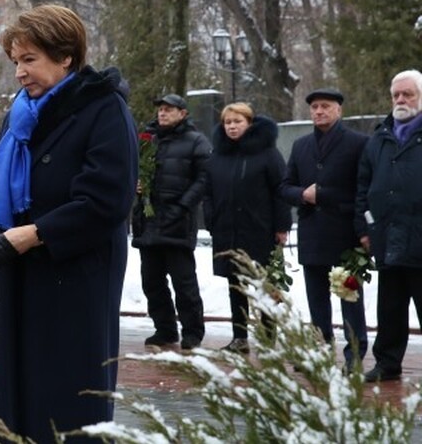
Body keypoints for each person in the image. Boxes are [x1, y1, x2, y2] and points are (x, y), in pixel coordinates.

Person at [0, 5, 137, 443]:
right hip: (20, 280)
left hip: (75, 282)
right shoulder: (21, 115)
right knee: (20, 404)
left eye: (30, 60)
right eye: (16, 61)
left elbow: (105, 200)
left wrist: (31, 235)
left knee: (67, 405)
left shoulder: (104, 110)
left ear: (66, 58)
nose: (20, 72)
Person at [279, 88, 368, 372]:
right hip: (312, 232)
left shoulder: (358, 143)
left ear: (338, 110)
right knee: (317, 299)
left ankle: (355, 354)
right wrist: (302, 195)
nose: (319, 111)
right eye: (315, 107)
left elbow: (362, 189)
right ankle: (320, 351)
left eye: (325, 106)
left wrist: (325, 194)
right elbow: (285, 186)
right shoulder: (302, 145)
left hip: (344, 235)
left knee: (349, 297)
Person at [203, 102, 291, 354]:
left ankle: (267, 339)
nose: (232, 127)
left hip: (260, 230)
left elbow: (280, 191)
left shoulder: (267, 154)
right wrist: (211, 218)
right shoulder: (217, 155)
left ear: (249, 123)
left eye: (237, 122)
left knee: (265, 286)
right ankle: (239, 337)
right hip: (227, 230)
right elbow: (208, 191)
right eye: (227, 122)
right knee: (235, 286)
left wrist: (282, 226)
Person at [357, 69, 422, 383]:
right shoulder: (379, 137)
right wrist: (365, 227)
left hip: (420, 238)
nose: (401, 100)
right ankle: (387, 363)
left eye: (407, 94)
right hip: (387, 237)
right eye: (396, 94)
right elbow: (363, 187)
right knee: (390, 309)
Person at [131, 94, 209, 351]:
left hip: (177, 222)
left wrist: (183, 206)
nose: (162, 113)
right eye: (161, 109)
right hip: (149, 222)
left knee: (184, 283)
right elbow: (136, 170)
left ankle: (193, 332)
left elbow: (204, 178)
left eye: (169, 109)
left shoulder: (195, 141)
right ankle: (164, 330)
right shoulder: (147, 140)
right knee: (151, 281)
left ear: (183, 113)